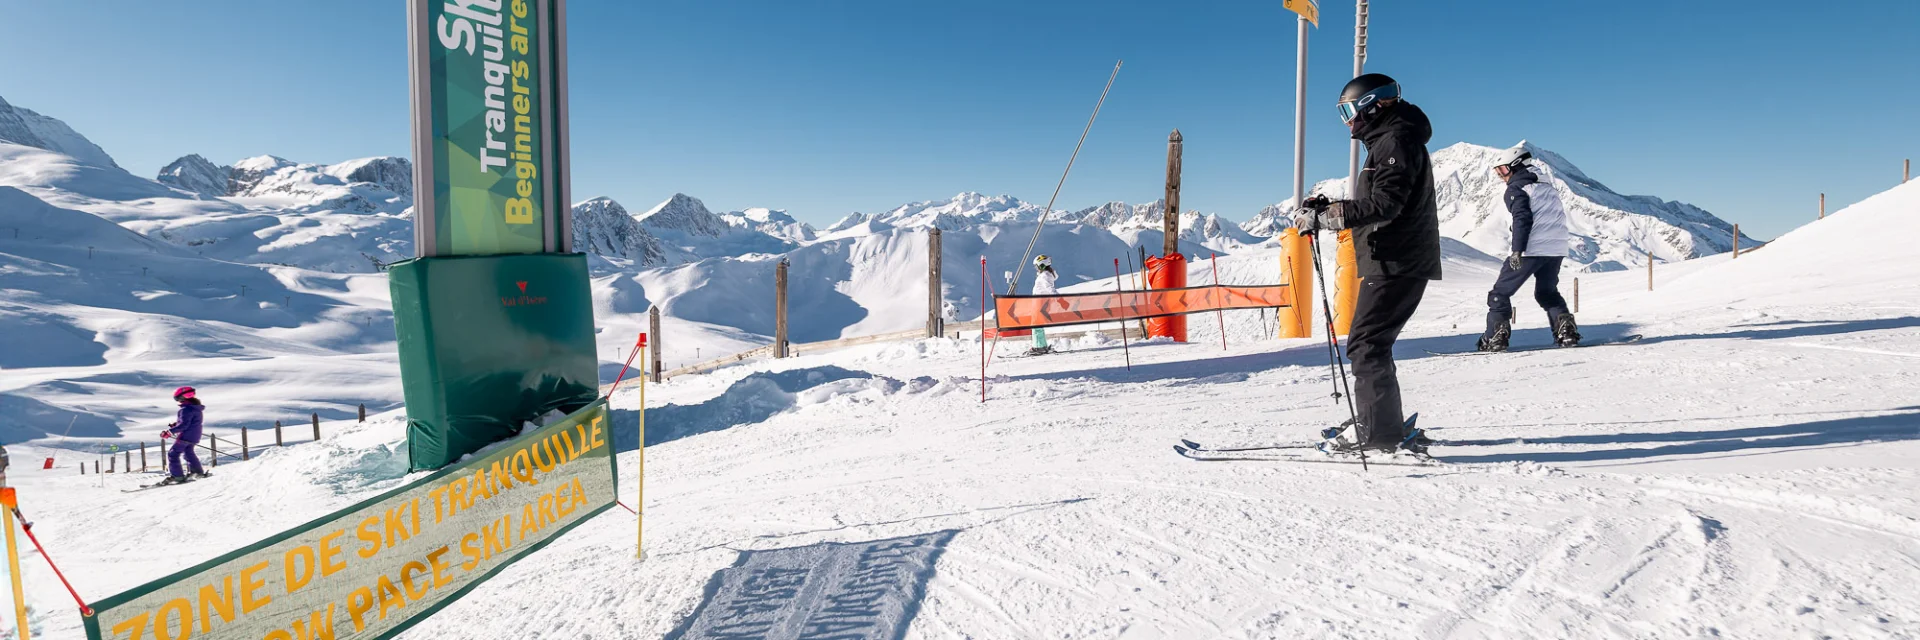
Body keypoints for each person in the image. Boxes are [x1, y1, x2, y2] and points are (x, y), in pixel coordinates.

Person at [1292, 72, 1441, 455]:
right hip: (1393, 257)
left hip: (1396, 258)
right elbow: (1380, 197)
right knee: (1370, 343)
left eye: (1348, 111)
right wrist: (1328, 208)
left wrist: (1326, 219)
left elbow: (1386, 204)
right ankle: (1379, 421)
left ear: (1371, 106)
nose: (1347, 122)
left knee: (1367, 344)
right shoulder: (1391, 140)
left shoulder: (1395, 141)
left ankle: (1380, 433)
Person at [1478, 147, 1580, 351]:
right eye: (1497, 172)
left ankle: (1496, 336)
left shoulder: (1517, 189)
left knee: (1500, 293)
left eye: (1503, 171)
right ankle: (1566, 331)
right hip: (1556, 249)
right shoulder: (1547, 186)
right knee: (1547, 293)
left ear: (1516, 166)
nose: (1501, 176)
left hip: (1530, 250)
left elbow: (1522, 218)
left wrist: (1517, 250)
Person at [159, 386, 209, 485]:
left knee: (173, 454)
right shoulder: (196, 408)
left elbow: (184, 425)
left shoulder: (185, 409)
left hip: (185, 436)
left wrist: (169, 432)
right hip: (194, 435)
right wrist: (176, 425)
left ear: (182, 397)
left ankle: (177, 476)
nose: (177, 400)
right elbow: (190, 422)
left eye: (177, 398)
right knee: (188, 452)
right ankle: (197, 472)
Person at [1028, 255, 1059, 356]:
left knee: (1036, 324)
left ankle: (1039, 347)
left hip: (1040, 302)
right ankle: (1041, 345)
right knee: (1037, 324)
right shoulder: (1046, 275)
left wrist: (1059, 299)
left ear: (1041, 265)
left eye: (1037, 266)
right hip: (1040, 302)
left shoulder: (1045, 275)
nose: (1036, 268)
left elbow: (1050, 288)